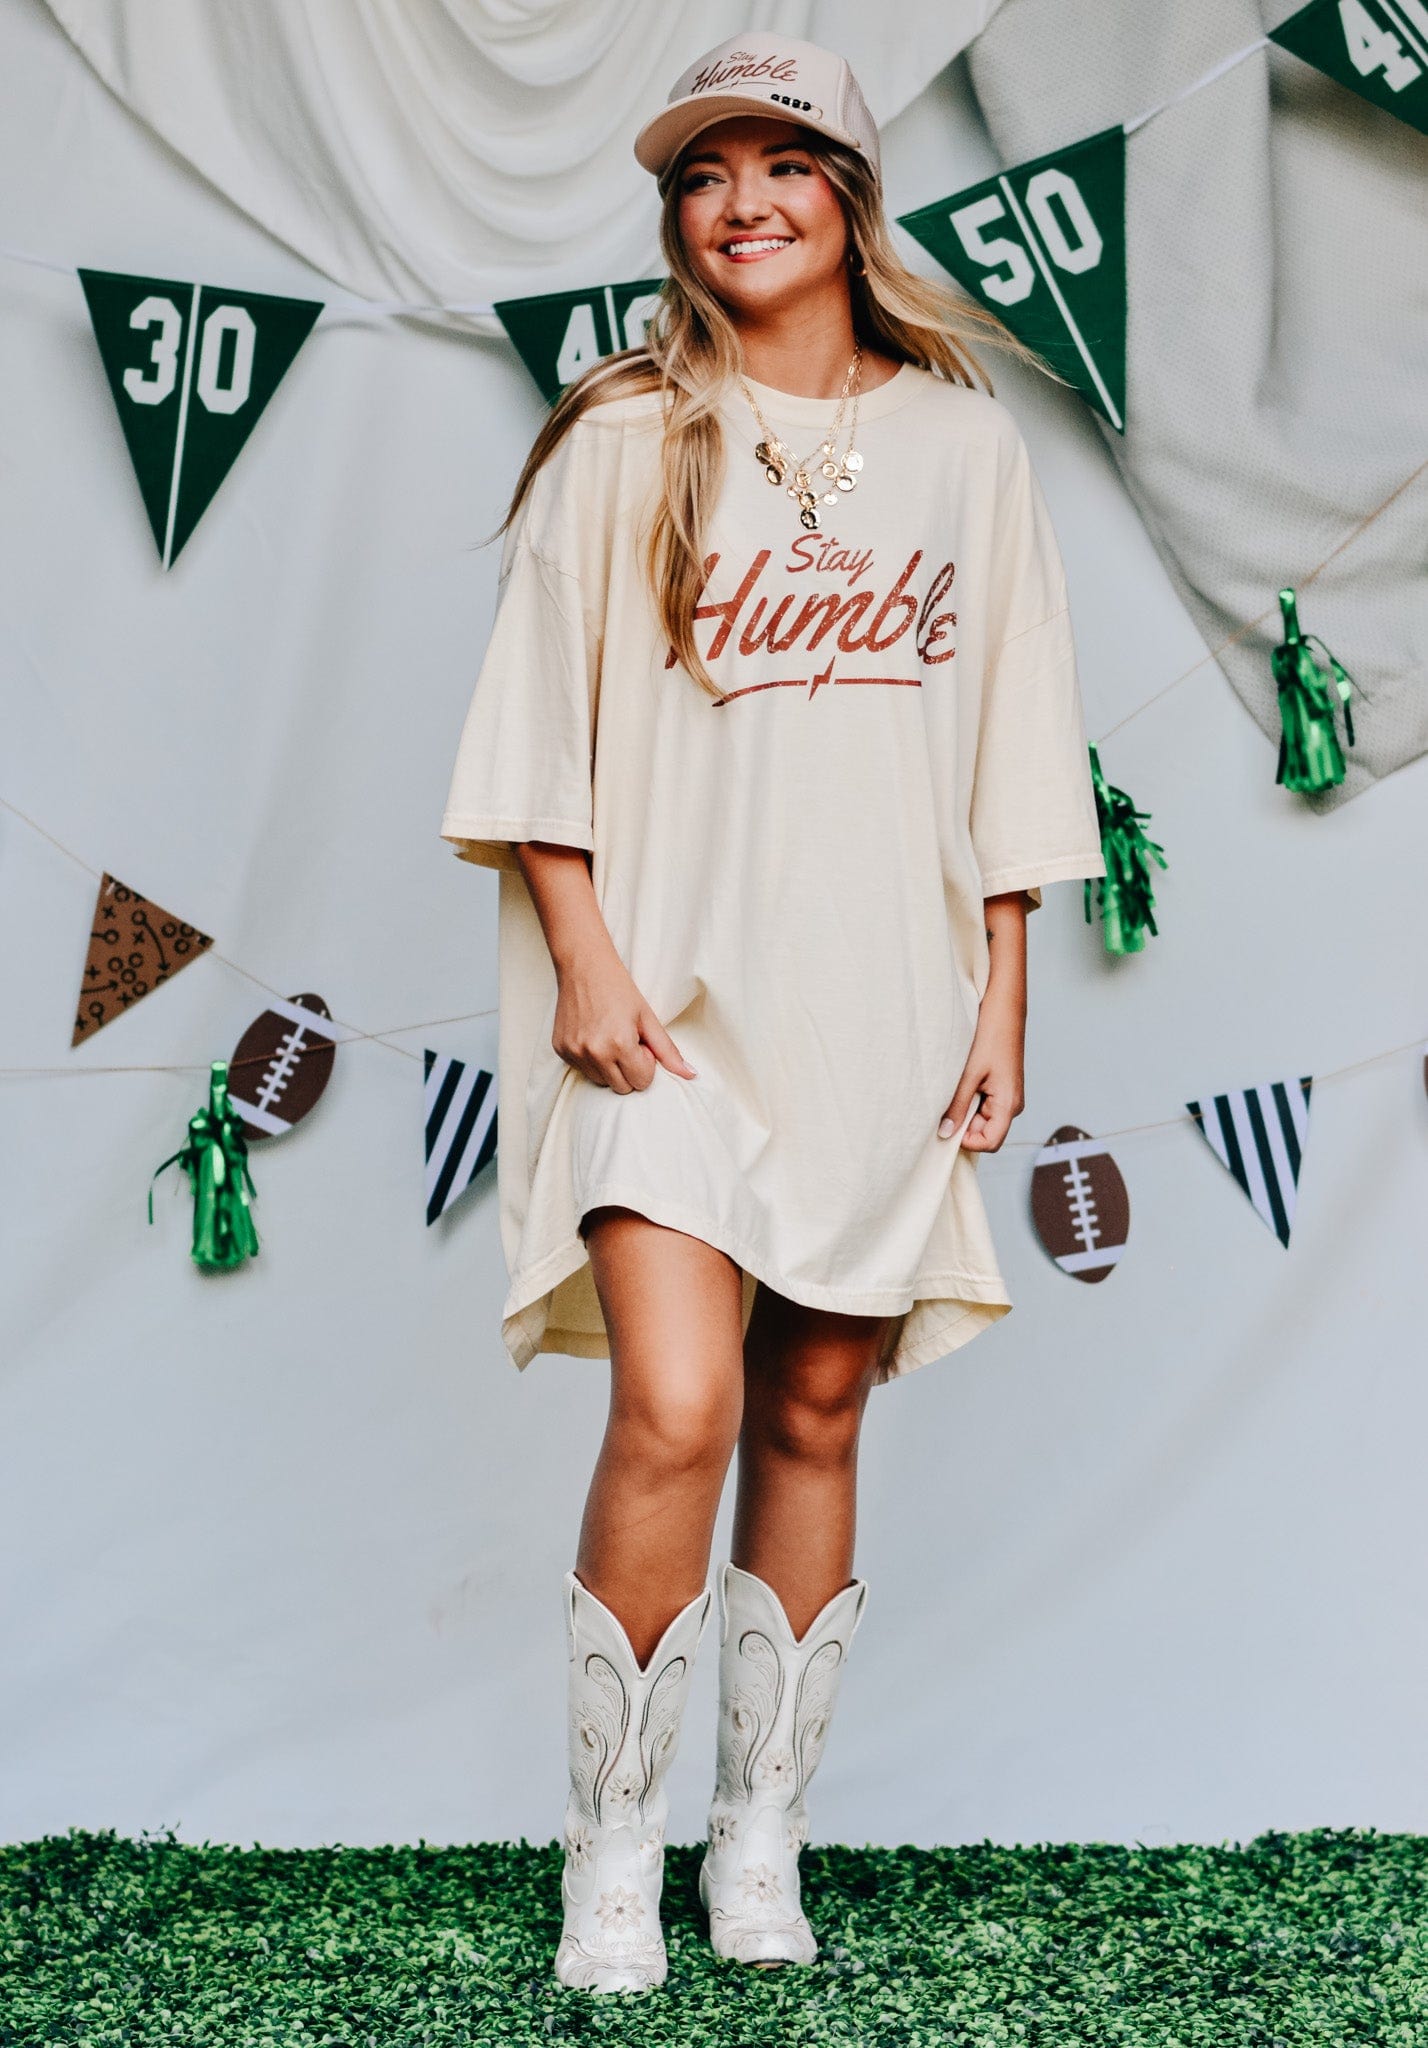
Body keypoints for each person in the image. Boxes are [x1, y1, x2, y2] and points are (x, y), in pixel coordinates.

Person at [440, 30, 1106, 1997]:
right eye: (704, 174)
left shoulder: (966, 452)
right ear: (677, 218)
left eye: (783, 164)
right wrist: (584, 954)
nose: (742, 202)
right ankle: (614, 1861)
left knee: (816, 1407)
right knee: (678, 1401)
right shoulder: (622, 435)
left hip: (885, 995)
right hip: (661, 1008)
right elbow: (537, 723)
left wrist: (1001, 995)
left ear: (851, 200)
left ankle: (759, 1843)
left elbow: (1013, 740)